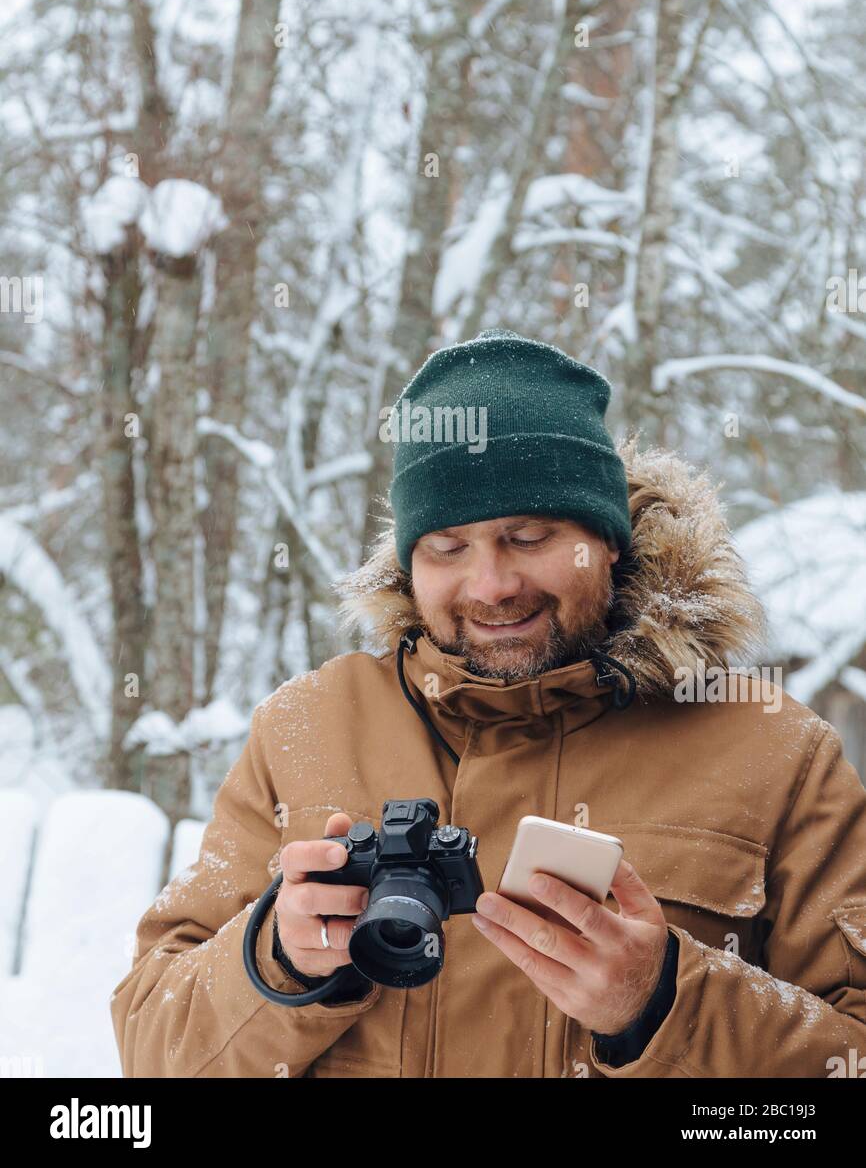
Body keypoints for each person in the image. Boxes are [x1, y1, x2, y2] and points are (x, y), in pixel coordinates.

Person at [110, 328, 866, 1077]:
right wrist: (277, 959)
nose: (492, 585)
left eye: (529, 535)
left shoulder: (775, 752)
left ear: (606, 540)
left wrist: (666, 1003)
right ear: (408, 564)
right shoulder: (304, 727)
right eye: (447, 548)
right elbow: (151, 1051)